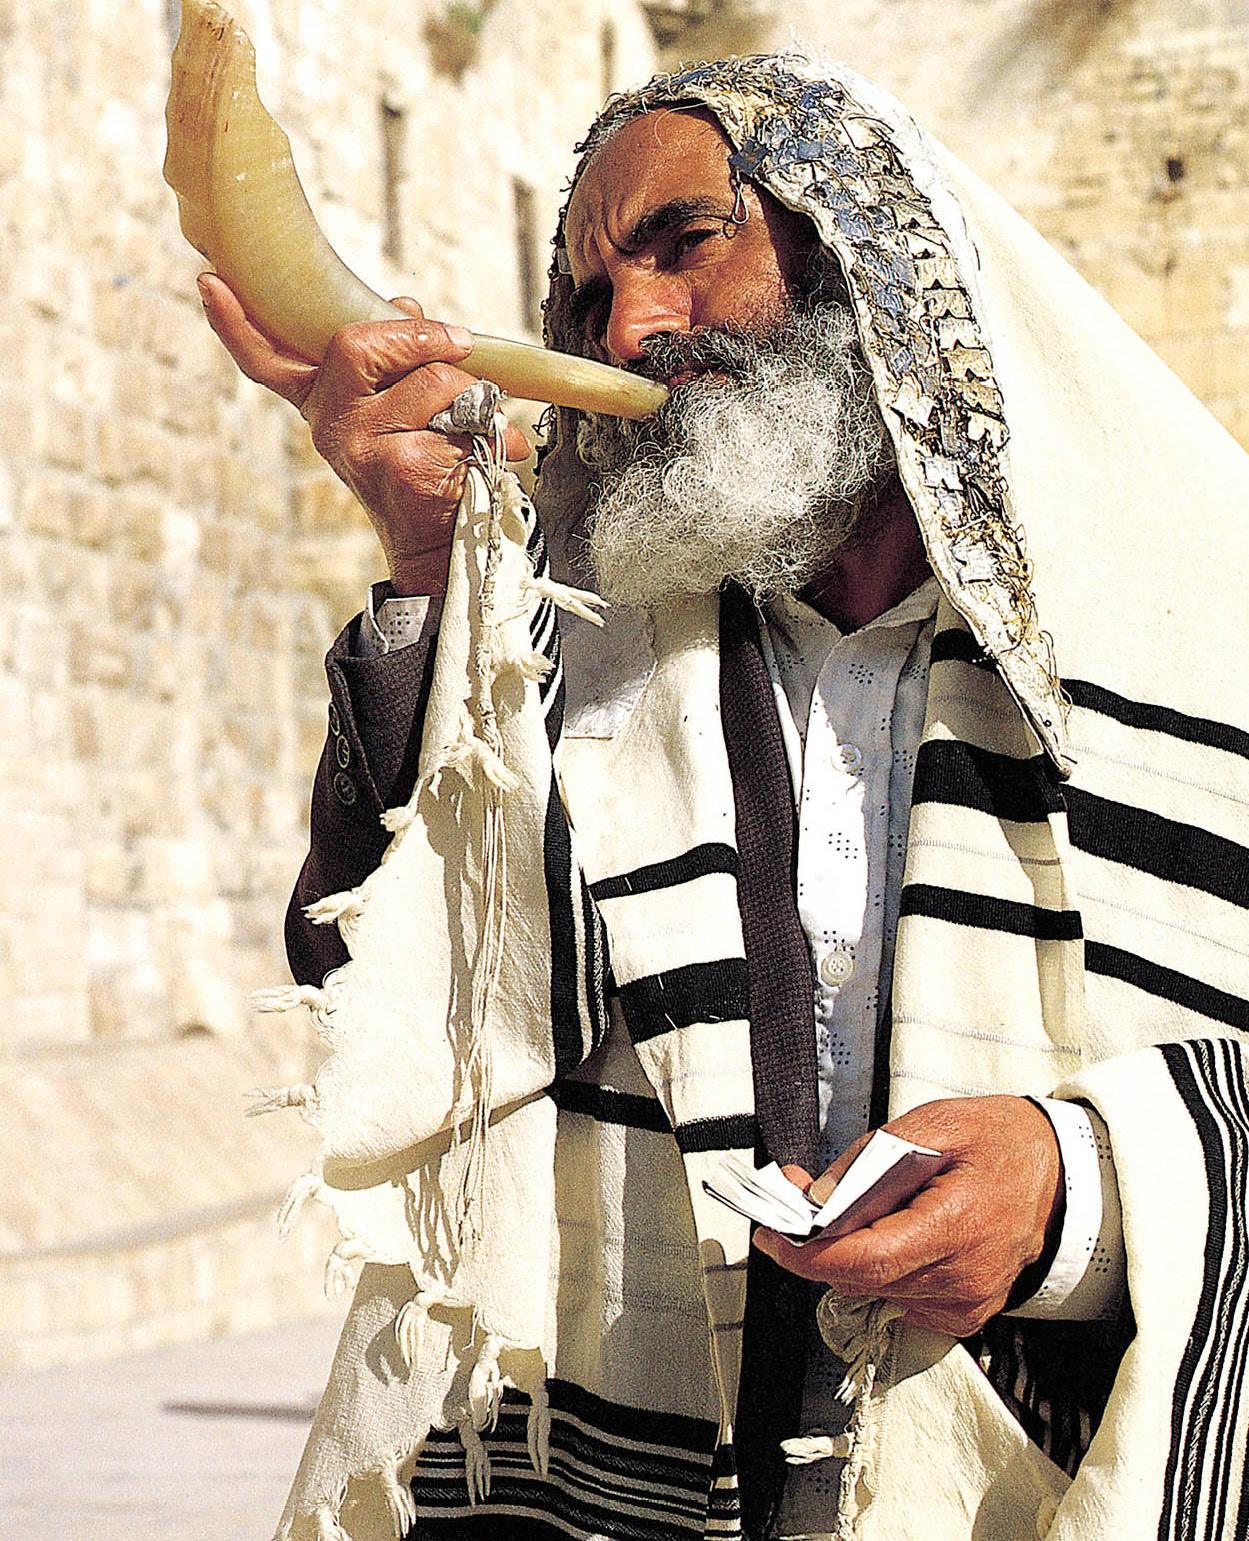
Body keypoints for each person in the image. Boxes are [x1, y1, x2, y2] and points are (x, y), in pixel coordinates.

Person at [202, 53, 1249, 1541]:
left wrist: (1080, 1184)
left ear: (861, 252)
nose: (629, 325)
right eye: (586, 295)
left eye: (685, 243)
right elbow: (401, 1012)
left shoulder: (1201, 644)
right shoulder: (584, 653)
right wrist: (438, 578)